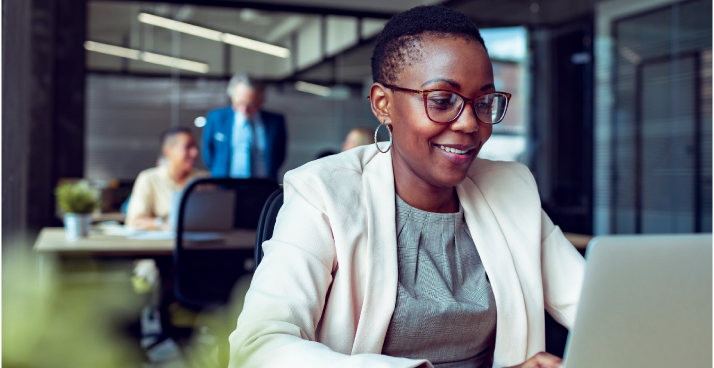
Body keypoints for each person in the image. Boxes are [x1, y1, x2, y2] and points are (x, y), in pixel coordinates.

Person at [230, 6, 584, 368]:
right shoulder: (322, 193)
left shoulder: (511, 188)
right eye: (442, 100)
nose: (469, 123)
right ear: (383, 104)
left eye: (483, 102)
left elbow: (595, 304)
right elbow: (260, 345)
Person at [203, 73, 287, 181]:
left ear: (261, 100)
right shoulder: (216, 118)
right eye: (239, 103)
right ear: (232, 98)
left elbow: (279, 156)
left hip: (264, 186)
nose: (244, 109)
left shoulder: (275, 121)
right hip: (225, 186)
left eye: (250, 104)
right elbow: (208, 154)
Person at [126, 126, 208, 230]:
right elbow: (134, 220)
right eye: (187, 147)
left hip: (200, 243)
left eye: (195, 147)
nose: (195, 153)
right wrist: (163, 224)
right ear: (167, 151)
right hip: (161, 244)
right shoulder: (149, 179)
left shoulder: (203, 180)